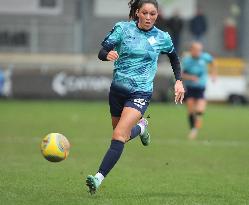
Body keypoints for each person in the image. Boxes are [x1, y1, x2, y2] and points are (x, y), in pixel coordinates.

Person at [86, 0, 185, 194]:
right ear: (137, 13)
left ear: (157, 15)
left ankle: (97, 179)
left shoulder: (162, 37)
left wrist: (179, 80)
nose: (149, 17)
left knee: (117, 136)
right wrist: (107, 55)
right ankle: (141, 128)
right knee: (121, 134)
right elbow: (102, 51)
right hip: (117, 90)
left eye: (153, 14)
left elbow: (174, 57)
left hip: (140, 92)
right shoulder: (122, 29)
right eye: (145, 13)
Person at [181, 42, 216, 140]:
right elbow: (181, 74)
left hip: (200, 88)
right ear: (191, 50)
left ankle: (195, 130)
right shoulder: (186, 60)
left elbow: (213, 62)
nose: (198, 52)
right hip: (190, 88)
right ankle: (192, 128)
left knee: (200, 110)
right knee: (191, 110)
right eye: (196, 50)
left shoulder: (205, 57)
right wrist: (190, 77)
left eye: (200, 50)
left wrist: (213, 74)